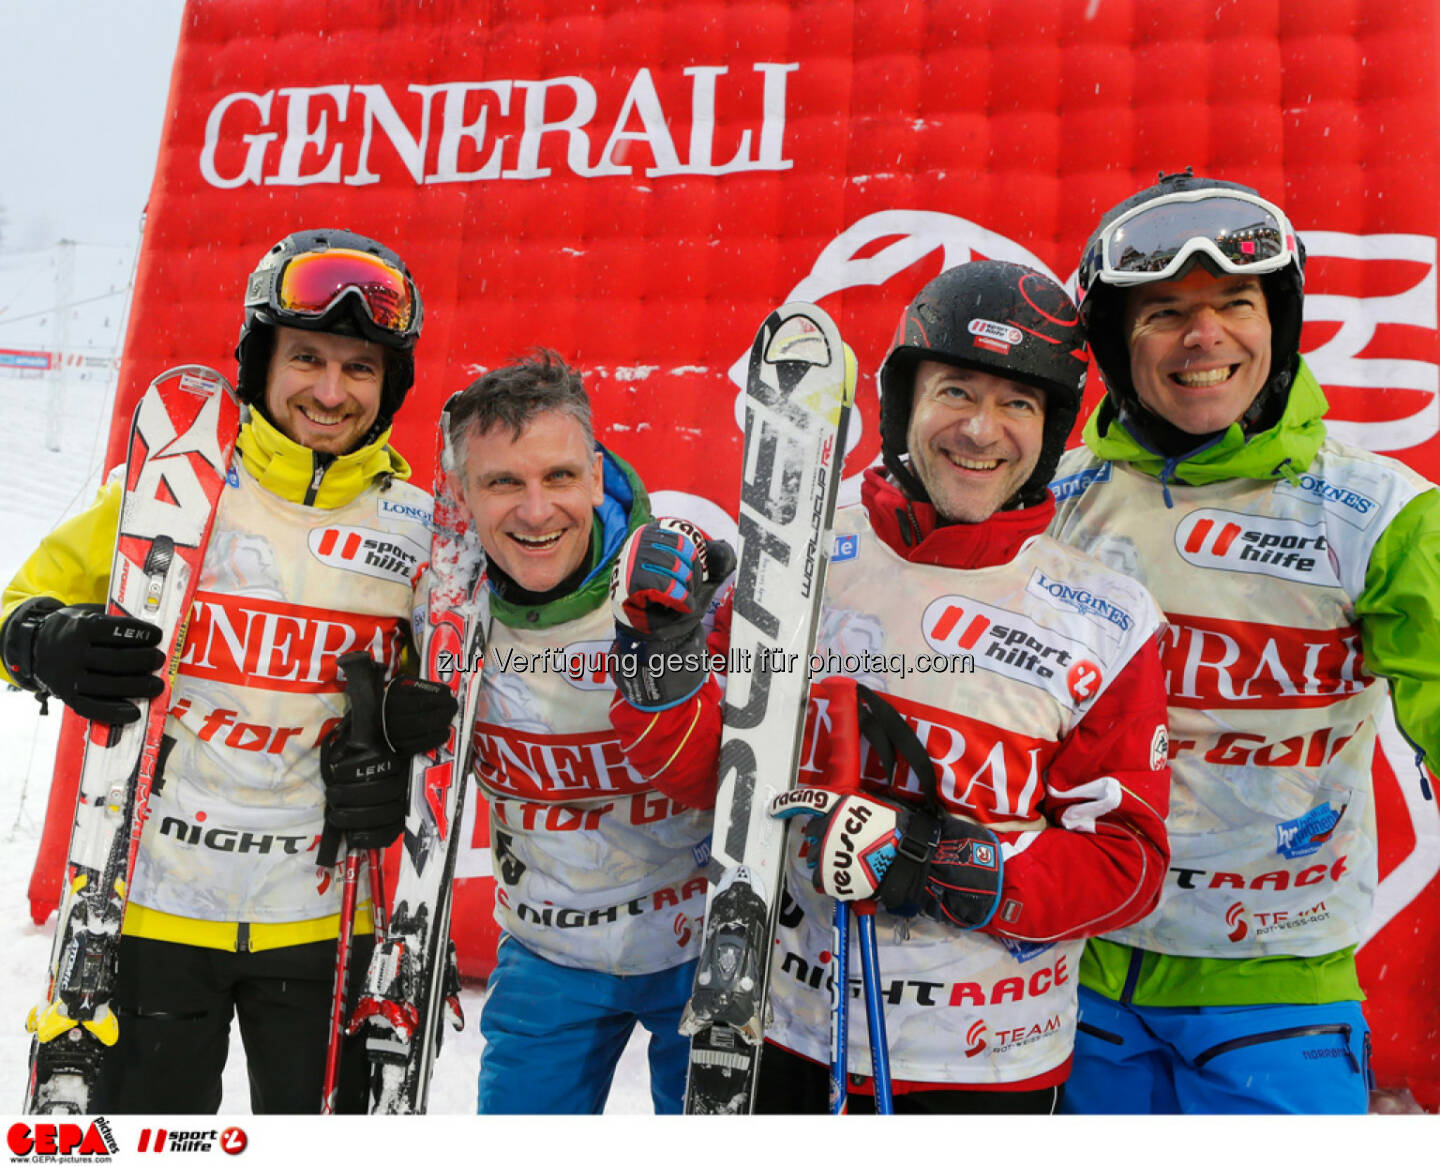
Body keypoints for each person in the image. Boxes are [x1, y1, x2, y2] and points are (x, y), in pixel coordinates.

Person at [1, 228, 455, 1113]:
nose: (331, 392)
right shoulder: (176, 487)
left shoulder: (417, 530)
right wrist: (43, 641)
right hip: (158, 908)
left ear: (389, 384)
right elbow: (13, 611)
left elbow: (445, 704)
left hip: (324, 920)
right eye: (307, 358)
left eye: (360, 368)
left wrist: (403, 745)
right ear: (259, 361)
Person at [1049, 169, 1440, 1114]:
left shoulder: (1381, 516)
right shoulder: (1052, 502)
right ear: (1113, 340)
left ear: (1282, 321)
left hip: (1276, 982)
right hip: (1075, 978)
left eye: (1235, 302)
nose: (1204, 336)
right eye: (1164, 312)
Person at [750, 261, 1173, 1114]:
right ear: (903, 402)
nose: (982, 431)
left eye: (1018, 403)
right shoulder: (797, 552)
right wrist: (664, 652)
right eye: (956, 391)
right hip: (787, 1033)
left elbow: (1127, 864)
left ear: (1050, 431)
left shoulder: (1106, 618)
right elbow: (703, 772)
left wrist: (950, 865)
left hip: (984, 1067)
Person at [447, 350, 734, 1114]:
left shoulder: (685, 585)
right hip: (549, 950)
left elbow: (745, 769)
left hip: (701, 944)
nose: (537, 511)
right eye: (504, 482)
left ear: (598, 472)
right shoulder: (440, 597)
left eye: (560, 478)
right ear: (462, 493)